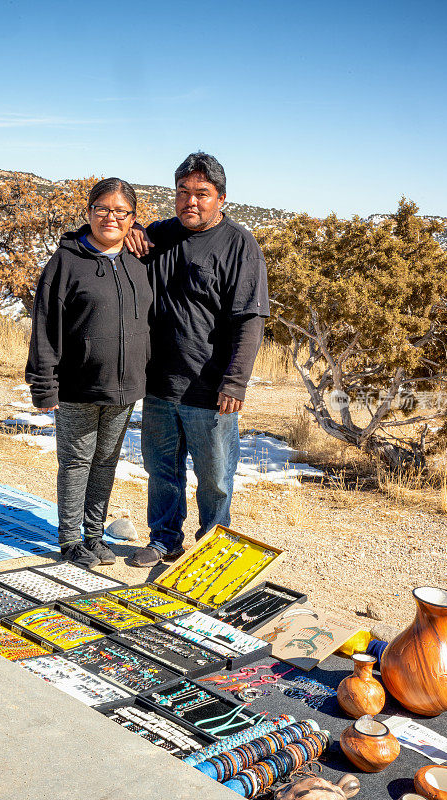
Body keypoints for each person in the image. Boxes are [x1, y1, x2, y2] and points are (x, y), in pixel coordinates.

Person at [130, 152, 269, 568]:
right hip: (158, 385)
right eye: (183, 192)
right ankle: (165, 540)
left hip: (210, 389)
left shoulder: (239, 244)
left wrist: (236, 382)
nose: (191, 201)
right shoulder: (158, 236)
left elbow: (250, 318)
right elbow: (104, 235)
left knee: (214, 480)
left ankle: (211, 548)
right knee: (162, 473)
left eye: (202, 194)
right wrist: (132, 230)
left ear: (221, 198)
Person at [26, 178, 152, 568]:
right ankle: (69, 541)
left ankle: (95, 537)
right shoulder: (65, 262)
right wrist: (45, 387)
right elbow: (46, 326)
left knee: (106, 462)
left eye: (120, 211)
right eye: (102, 209)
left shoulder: (140, 259)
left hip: (126, 387)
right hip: (79, 385)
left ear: (133, 218)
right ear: (88, 212)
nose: (110, 217)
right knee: (77, 461)